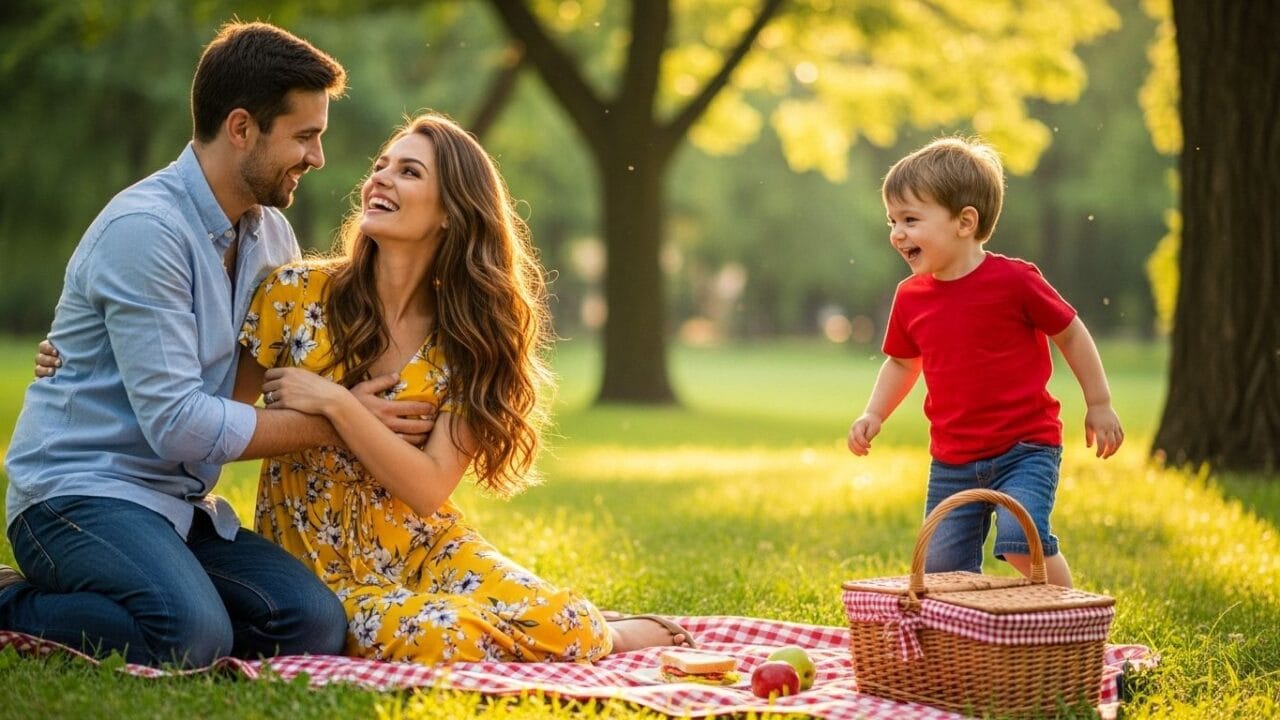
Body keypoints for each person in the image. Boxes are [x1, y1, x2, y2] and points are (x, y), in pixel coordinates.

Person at [0, 21, 433, 668]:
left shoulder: (270, 238)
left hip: (177, 504)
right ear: (241, 128)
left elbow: (299, 363)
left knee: (310, 623)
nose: (317, 158)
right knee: (186, 636)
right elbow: (179, 425)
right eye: (304, 136)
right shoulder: (146, 232)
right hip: (78, 494)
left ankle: (159, 588)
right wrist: (341, 423)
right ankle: (12, 601)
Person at [231, 111, 692, 662]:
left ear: (450, 211)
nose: (379, 178)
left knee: (566, 623)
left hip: (429, 548)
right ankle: (559, 628)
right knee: (441, 634)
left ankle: (599, 631)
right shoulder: (294, 293)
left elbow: (428, 489)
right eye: (381, 166)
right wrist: (332, 419)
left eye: (409, 172)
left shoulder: (470, 339)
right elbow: (220, 428)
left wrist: (335, 404)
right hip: (317, 570)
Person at [846, 137, 1124, 588]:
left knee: (1020, 542)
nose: (897, 233)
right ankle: (971, 644)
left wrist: (1099, 402)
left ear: (964, 221)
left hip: (1025, 449)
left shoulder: (1015, 281)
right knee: (941, 574)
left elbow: (1070, 331)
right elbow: (901, 363)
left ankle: (1067, 612)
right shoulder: (910, 298)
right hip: (952, 459)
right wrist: (874, 413)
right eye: (893, 220)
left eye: (911, 219)